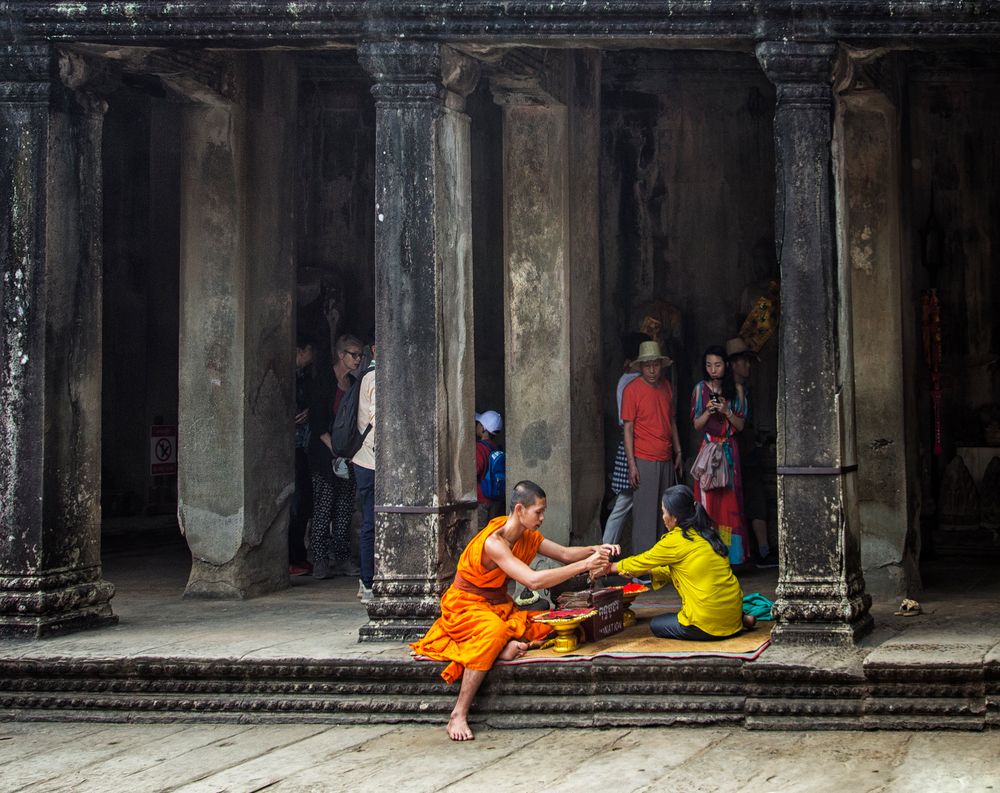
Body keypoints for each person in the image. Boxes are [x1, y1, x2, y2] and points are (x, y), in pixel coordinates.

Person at [409, 480, 616, 742]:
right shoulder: (494, 543)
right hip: (466, 605)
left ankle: (504, 647)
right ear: (520, 509)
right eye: (538, 511)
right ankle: (458, 713)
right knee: (493, 632)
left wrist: (597, 549)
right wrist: (585, 565)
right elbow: (533, 581)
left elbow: (563, 553)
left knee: (546, 622)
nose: (542, 517)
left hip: (498, 606)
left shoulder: (525, 534)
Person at [590, 485, 754, 640]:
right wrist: (648, 571)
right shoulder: (706, 533)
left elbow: (642, 560)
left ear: (675, 517)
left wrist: (609, 567)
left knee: (656, 624)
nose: (663, 518)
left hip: (706, 624)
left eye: (664, 513)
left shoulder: (676, 540)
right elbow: (686, 569)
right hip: (733, 614)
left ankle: (717, 625)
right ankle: (739, 621)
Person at [307, 334, 365, 579]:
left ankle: (342, 557)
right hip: (324, 454)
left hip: (347, 454)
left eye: (360, 355)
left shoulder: (353, 384)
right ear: (341, 355)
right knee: (324, 506)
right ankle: (319, 558)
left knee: (344, 507)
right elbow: (317, 423)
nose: (358, 359)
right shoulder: (322, 382)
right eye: (354, 354)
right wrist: (335, 450)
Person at [620, 340, 683, 556]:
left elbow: (671, 420)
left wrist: (678, 451)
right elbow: (628, 429)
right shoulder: (632, 390)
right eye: (648, 366)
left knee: (666, 514)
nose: (652, 369)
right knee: (645, 516)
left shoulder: (666, 387)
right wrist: (632, 464)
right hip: (644, 458)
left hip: (666, 456)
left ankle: (661, 563)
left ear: (660, 365)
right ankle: (644, 567)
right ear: (641, 367)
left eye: (655, 364)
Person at [691, 345, 749, 565]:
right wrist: (708, 411)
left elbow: (740, 425)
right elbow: (697, 424)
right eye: (708, 365)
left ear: (725, 365)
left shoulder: (737, 389)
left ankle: (730, 556)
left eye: (717, 364)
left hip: (728, 451)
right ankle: (707, 554)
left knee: (729, 504)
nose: (713, 369)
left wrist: (726, 411)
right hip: (708, 450)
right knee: (706, 504)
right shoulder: (699, 389)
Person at [726, 336, 777, 568]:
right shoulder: (729, 392)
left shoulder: (744, 389)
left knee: (754, 499)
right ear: (734, 364)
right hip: (736, 453)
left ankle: (759, 551)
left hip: (747, 451)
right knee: (742, 503)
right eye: (744, 362)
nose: (748, 366)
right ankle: (756, 553)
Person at [603, 332, 650, 545]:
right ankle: (605, 550)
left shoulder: (627, 378)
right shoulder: (633, 382)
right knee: (624, 502)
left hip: (632, 443)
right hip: (635, 444)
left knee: (624, 503)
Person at [288, 335, 316, 576]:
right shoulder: (288, 378)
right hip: (292, 447)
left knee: (305, 501)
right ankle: (291, 556)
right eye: (309, 349)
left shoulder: (304, 377)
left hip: (304, 445)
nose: (312, 354)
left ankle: (298, 555)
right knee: (296, 503)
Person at [352, 340, 376, 603]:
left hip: (364, 460)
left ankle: (366, 580)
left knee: (371, 521)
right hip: (372, 461)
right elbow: (377, 420)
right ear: (375, 348)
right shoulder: (376, 377)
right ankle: (368, 581)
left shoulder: (365, 377)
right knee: (372, 522)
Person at [475, 410, 504, 529]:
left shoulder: (480, 448)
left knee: (480, 535)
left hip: (482, 499)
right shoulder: (496, 448)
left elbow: (475, 470)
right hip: (495, 499)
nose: (476, 425)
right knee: (492, 532)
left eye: (478, 423)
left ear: (483, 429)